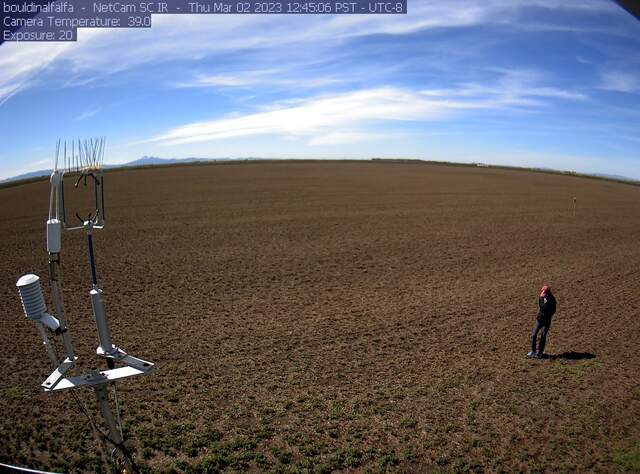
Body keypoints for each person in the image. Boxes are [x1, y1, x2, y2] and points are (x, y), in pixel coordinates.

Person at [528, 285, 556, 358]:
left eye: (543, 292)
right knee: (534, 335)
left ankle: (540, 352)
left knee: (543, 336)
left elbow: (543, 307)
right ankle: (533, 351)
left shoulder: (551, 300)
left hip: (546, 321)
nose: (542, 293)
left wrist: (540, 298)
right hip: (539, 319)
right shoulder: (544, 298)